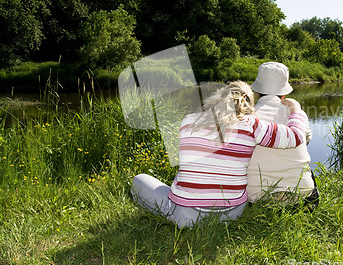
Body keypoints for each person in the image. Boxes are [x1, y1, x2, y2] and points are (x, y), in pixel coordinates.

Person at [131, 81, 308, 228]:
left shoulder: (188, 121)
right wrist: (296, 108)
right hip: (232, 214)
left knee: (139, 180)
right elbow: (297, 136)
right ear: (248, 104)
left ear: (219, 97)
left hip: (185, 216)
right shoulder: (253, 126)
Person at [247, 62, 318, 205]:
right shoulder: (298, 114)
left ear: (256, 92)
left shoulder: (245, 117)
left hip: (257, 198)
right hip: (301, 196)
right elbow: (307, 139)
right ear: (284, 93)